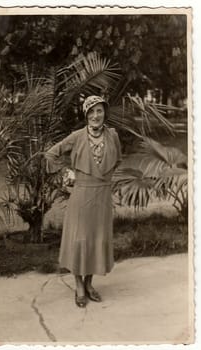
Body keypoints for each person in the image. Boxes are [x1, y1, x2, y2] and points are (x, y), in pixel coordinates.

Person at [44, 95, 122, 307]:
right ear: (85, 115)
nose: (96, 116)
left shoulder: (113, 135)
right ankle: (78, 286)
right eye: (91, 112)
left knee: (97, 240)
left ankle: (89, 283)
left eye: (99, 111)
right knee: (80, 241)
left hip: (103, 196)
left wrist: (103, 177)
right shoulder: (76, 136)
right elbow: (51, 154)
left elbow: (118, 160)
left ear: (104, 112)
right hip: (81, 196)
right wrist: (67, 173)